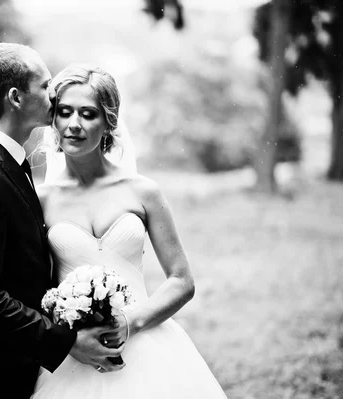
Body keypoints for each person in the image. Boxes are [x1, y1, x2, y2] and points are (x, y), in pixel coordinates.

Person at [0, 44, 125, 399]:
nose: (53, 93)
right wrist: (64, 342)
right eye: (45, 84)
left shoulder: (3, 164)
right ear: (16, 98)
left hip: (6, 369)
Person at [31, 64, 228, 398]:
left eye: (88, 114)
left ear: (109, 122)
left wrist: (130, 321)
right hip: (75, 353)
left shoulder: (143, 192)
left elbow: (182, 280)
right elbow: (31, 285)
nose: (74, 124)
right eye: (65, 112)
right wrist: (64, 336)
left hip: (148, 345)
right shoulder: (40, 200)